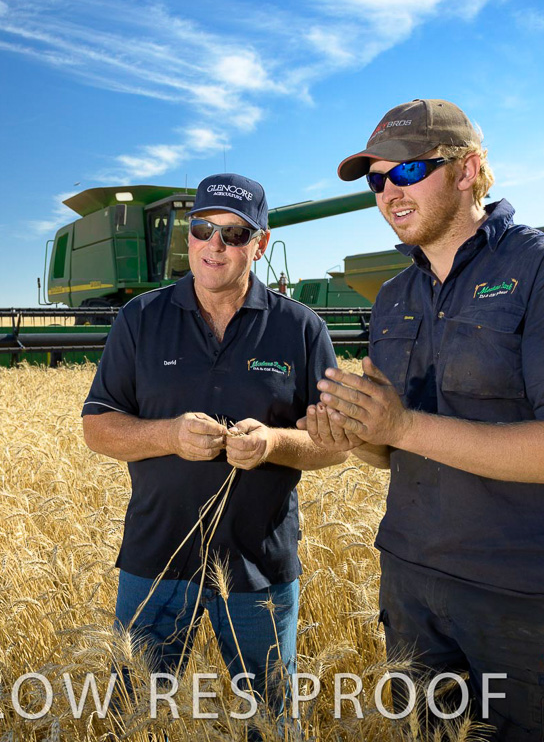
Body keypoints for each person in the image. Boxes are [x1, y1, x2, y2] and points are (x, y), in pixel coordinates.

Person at [301, 99, 544, 740]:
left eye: (408, 171)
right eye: (376, 180)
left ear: (467, 170)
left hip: (527, 596)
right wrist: (356, 434)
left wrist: (401, 427)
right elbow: (391, 450)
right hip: (411, 585)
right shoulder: (395, 296)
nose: (389, 192)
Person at [81, 172, 347, 722]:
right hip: (156, 561)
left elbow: (336, 446)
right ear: (188, 235)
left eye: (234, 233)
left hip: (258, 567)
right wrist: (167, 435)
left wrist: (273, 442)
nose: (214, 245)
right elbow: (97, 427)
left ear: (260, 244)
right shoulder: (140, 319)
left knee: (272, 719)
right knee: (135, 717)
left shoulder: (300, 328)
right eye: (203, 229)